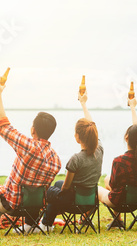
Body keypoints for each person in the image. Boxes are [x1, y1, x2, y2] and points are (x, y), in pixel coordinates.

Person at [0, 78, 62, 233]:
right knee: (10, 181)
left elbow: (3, 126)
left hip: (12, 205)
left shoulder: (29, 147)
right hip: (31, 206)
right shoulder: (56, 160)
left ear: (33, 130)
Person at [40, 91, 103, 232]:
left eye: (75, 132)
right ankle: (47, 222)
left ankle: (45, 224)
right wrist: (83, 104)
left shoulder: (76, 159)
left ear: (78, 137)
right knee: (57, 183)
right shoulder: (100, 150)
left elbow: (66, 189)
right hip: (90, 201)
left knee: (48, 189)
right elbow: (93, 127)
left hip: (74, 203)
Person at [98, 96, 137, 228]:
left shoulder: (119, 161)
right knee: (107, 179)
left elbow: (114, 185)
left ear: (126, 137)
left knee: (96, 188)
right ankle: (117, 220)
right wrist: (133, 107)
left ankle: (114, 219)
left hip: (120, 202)